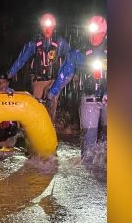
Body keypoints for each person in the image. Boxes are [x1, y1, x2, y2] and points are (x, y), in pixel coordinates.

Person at [46, 15, 107, 163]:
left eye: (98, 33)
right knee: (88, 140)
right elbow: (64, 73)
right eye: (92, 33)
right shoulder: (79, 52)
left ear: (105, 33)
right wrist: (52, 92)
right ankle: (87, 168)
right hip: (89, 98)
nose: (94, 37)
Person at [6, 13, 71, 121]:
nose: (47, 29)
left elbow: (71, 58)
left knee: (51, 105)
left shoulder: (60, 42)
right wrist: (9, 74)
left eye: (50, 26)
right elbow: (21, 59)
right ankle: (37, 131)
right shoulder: (34, 43)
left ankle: (51, 128)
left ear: (54, 27)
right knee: (38, 108)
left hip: (54, 81)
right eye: (45, 26)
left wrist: (73, 74)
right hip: (38, 80)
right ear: (41, 27)